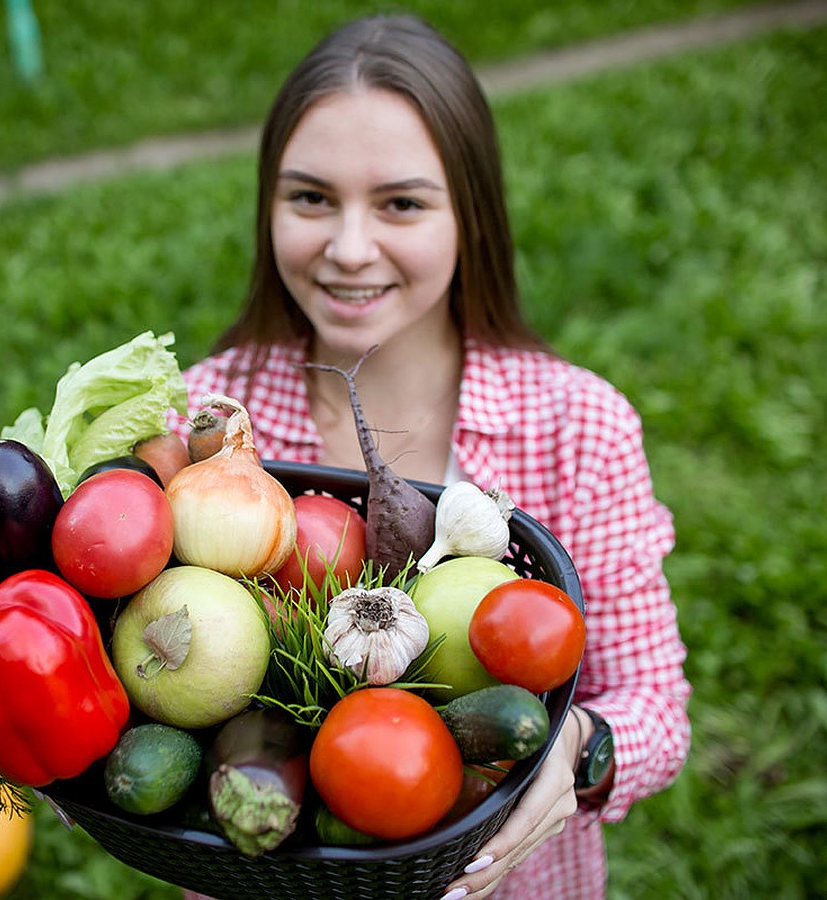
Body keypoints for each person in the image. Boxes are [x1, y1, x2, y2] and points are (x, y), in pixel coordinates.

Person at [172, 13, 690, 899]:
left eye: (402, 203)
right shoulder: (207, 416)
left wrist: (575, 745)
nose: (348, 247)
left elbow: (654, 709)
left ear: (473, 216)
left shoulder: (578, 426)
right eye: (309, 198)